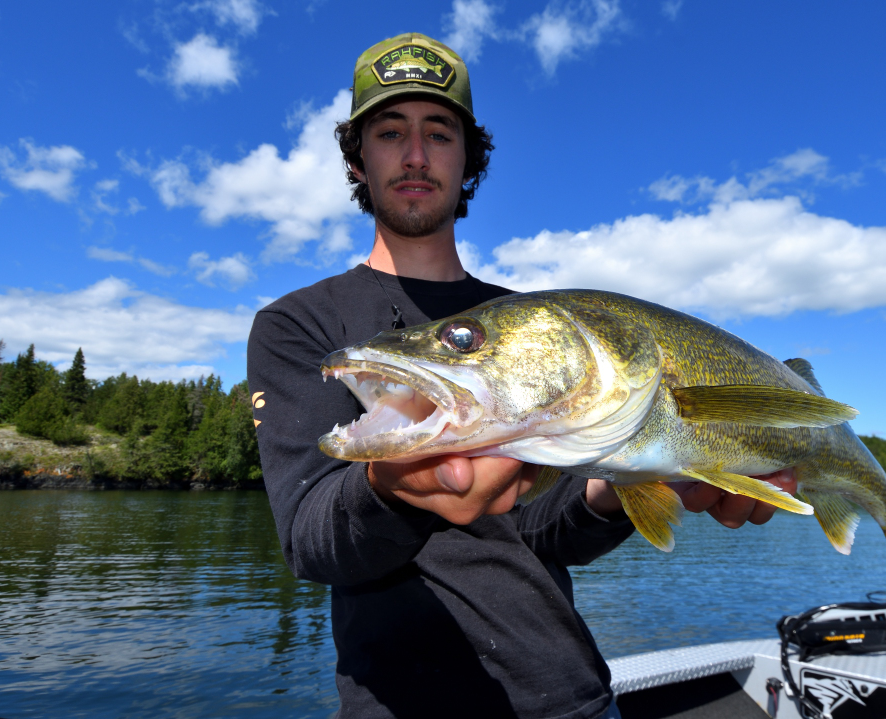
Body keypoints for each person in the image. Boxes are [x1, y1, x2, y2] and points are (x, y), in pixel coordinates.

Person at [247, 32, 796, 719]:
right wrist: (388, 484)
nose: (415, 155)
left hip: (574, 699)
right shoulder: (297, 323)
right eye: (390, 132)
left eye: (439, 133)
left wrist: (618, 479)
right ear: (358, 158)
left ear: (468, 157)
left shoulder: (532, 331)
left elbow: (542, 531)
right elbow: (310, 540)